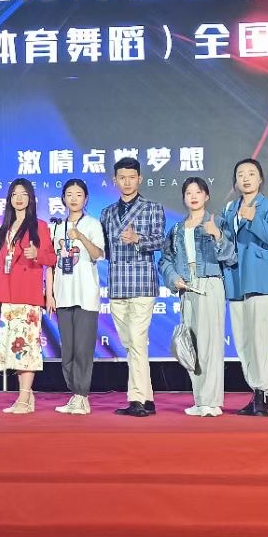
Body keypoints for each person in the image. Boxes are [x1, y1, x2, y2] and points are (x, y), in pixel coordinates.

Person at [158, 177, 235, 417]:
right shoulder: (177, 229)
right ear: (183, 198)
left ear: (206, 196)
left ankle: (212, 402)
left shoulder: (217, 222)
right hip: (187, 287)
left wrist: (217, 236)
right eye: (188, 192)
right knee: (191, 344)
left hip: (210, 283)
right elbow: (165, 260)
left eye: (198, 192)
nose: (193, 196)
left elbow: (231, 256)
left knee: (211, 343)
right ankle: (200, 400)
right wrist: (174, 278)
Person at [99, 156, 166, 417]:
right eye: (122, 178)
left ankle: (136, 400)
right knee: (131, 344)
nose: (127, 182)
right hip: (117, 285)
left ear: (140, 179)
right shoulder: (107, 213)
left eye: (131, 177)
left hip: (141, 283)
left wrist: (138, 238)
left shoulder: (152, 208)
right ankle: (147, 398)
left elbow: (160, 241)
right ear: (115, 180)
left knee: (137, 341)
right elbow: (104, 249)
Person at [219, 157, 268, 416]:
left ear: (260, 179)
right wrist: (217, 235)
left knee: (261, 339)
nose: (245, 178)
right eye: (240, 174)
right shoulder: (229, 209)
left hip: (262, 281)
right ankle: (256, 392)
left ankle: (265, 394)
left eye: (250, 173)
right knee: (243, 340)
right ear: (235, 181)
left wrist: (254, 218)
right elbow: (226, 245)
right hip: (236, 280)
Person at [0, 178, 57, 413]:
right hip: (8, 295)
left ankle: (23, 398)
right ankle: (26, 399)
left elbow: (51, 259)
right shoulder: (6, 227)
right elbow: (1, 265)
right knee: (16, 349)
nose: (18, 198)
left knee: (26, 349)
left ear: (30, 198)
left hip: (28, 295)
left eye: (23, 194)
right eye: (14, 194)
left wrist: (37, 254)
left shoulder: (39, 226)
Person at [50, 178, 105, 415]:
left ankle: (82, 396)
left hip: (85, 295)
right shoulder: (56, 227)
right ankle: (75, 394)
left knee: (83, 348)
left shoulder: (92, 224)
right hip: (63, 294)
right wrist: (50, 294)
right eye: (69, 194)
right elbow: (51, 263)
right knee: (68, 350)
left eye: (78, 194)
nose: (73, 198)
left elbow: (98, 254)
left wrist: (81, 237)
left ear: (86, 198)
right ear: (63, 198)